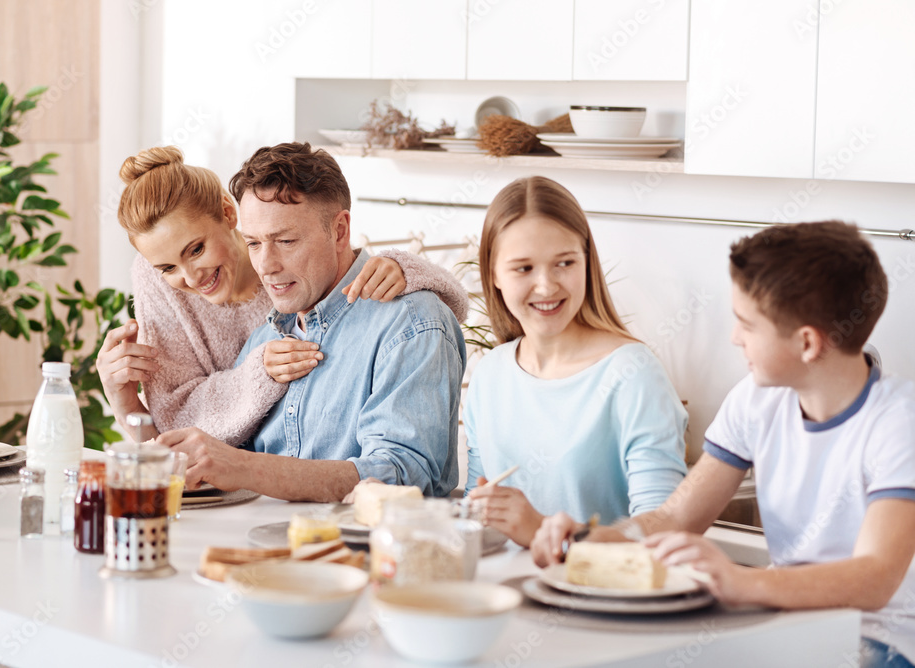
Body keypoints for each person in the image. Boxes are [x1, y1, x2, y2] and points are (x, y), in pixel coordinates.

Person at [532, 221, 915, 668]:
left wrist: (740, 582)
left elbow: (874, 580)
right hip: (787, 624)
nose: (735, 337)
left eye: (747, 324)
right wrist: (591, 540)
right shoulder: (756, 400)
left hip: (876, 641)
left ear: (807, 343)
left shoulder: (897, 422)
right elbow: (675, 518)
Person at [156, 142, 467, 503]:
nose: (266, 266)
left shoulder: (411, 324)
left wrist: (246, 468)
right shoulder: (266, 338)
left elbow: (403, 477)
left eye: (285, 240)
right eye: (253, 243)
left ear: (339, 231)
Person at [462, 176, 688, 548]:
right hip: (504, 592)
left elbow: (663, 529)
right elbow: (478, 516)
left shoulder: (633, 375)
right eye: (523, 268)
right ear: (493, 276)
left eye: (564, 263)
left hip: (600, 597)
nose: (547, 286)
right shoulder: (490, 375)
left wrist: (545, 533)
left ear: (587, 263)